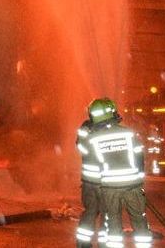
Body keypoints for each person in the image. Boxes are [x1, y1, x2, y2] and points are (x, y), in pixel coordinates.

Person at [83, 98, 153, 248]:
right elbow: (139, 157)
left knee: (113, 222)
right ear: (112, 112)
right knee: (139, 221)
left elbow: (94, 163)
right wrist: (139, 180)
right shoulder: (128, 133)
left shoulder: (93, 139)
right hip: (133, 186)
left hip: (110, 187)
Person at [75, 103, 105, 247]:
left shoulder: (85, 127)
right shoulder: (108, 128)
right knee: (108, 213)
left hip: (88, 180)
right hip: (105, 180)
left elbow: (81, 147)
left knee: (90, 212)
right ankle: (105, 244)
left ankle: (83, 244)